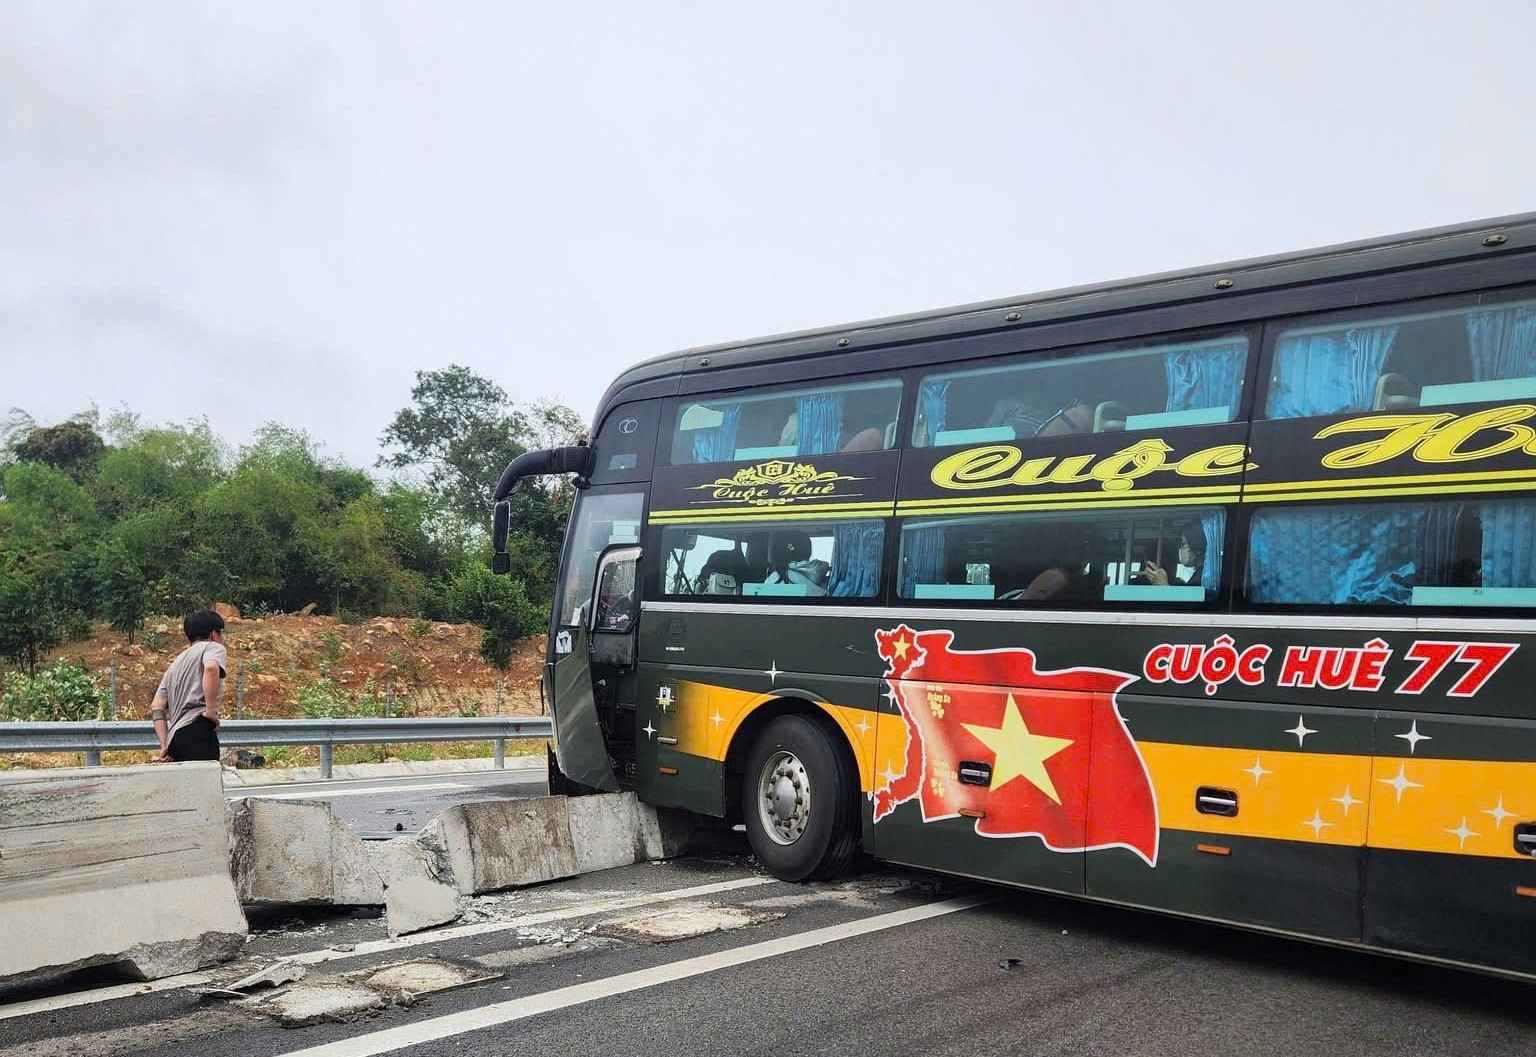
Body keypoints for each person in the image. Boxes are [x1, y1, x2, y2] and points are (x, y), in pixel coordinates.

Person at [150, 609, 228, 763]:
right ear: (214, 634)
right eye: (221, 634)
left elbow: (156, 706)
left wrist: (165, 744)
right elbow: (211, 668)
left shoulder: (175, 664)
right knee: (206, 785)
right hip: (198, 729)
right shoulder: (213, 647)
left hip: (175, 739)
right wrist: (211, 712)